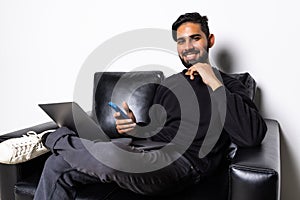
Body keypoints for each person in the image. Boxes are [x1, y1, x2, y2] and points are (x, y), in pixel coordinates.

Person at [32, 12, 267, 199]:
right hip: (145, 150)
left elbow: (251, 135)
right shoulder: (171, 84)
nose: (188, 46)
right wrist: (133, 127)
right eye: (181, 41)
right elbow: (156, 130)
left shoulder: (230, 85)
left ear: (210, 40)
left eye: (195, 38)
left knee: (113, 156)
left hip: (183, 162)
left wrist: (213, 81)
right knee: (57, 164)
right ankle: (59, 142)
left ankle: (49, 139)